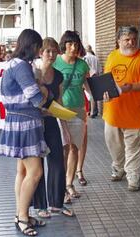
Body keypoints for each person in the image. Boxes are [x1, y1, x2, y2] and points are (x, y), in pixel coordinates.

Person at [0, 29, 50, 236]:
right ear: (32, 46)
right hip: (26, 122)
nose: (40, 51)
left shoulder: (11, 63)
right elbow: (36, 97)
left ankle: (21, 214)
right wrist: (44, 88)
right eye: (38, 47)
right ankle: (22, 217)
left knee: (22, 172)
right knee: (35, 172)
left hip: (16, 120)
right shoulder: (21, 66)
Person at [103, 26, 140, 191]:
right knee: (115, 146)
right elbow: (106, 81)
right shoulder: (112, 56)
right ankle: (118, 168)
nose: (131, 42)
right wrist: (104, 93)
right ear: (118, 41)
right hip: (113, 113)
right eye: (127, 39)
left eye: (133, 39)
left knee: (133, 148)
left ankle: (133, 177)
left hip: (135, 113)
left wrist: (130, 87)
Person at [32, 37, 73, 219]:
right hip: (34, 124)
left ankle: (56, 203)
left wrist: (65, 128)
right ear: (41, 52)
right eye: (48, 51)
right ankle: (41, 206)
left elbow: (59, 101)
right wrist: (40, 111)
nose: (51, 54)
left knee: (57, 160)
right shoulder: (33, 72)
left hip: (50, 122)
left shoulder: (58, 75)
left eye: (54, 51)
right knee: (38, 164)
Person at [53, 30, 91, 203]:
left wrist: (103, 95)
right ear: (64, 45)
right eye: (70, 44)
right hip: (60, 109)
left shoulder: (83, 65)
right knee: (63, 148)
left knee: (75, 147)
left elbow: (89, 86)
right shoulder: (56, 63)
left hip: (78, 109)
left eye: (76, 44)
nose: (73, 47)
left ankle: (69, 183)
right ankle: (60, 186)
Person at [83, 45, 102, 118]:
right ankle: (95, 110)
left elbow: (86, 69)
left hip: (89, 77)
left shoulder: (85, 58)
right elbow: (100, 69)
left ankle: (92, 112)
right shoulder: (96, 58)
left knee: (90, 94)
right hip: (96, 76)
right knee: (95, 94)